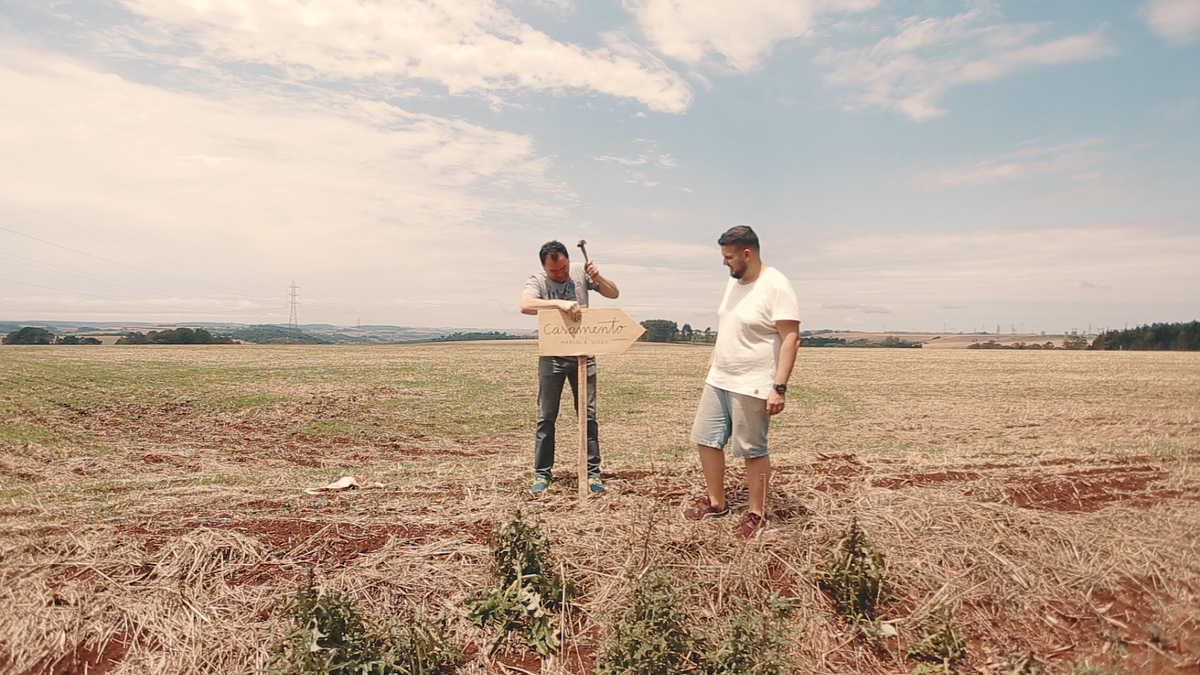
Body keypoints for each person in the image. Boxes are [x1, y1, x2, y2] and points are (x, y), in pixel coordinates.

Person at [684, 225, 800, 539]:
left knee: (752, 449)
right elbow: (729, 322)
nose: (725, 262)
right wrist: (713, 359)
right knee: (705, 438)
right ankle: (717, 503)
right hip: (719, 378)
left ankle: (756, 514)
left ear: (747, 254)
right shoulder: (734, 282)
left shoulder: (776, 285)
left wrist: (779, 387)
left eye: (729, 257)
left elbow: (791, 338)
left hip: (753, 383)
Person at [519, 240, 620, 495]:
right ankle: (542, 473)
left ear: (567, 261)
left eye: (563, 268)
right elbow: (526, 304)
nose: (561, 274)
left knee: (588, 415)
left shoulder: (579, 270)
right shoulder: (538, 280)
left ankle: (592, 472)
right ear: (544, 267)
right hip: (551, 356)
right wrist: (558, 303)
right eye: (554, 271)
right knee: (546, 417)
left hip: (584, 356)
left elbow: (613, 293)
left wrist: (598, 277)